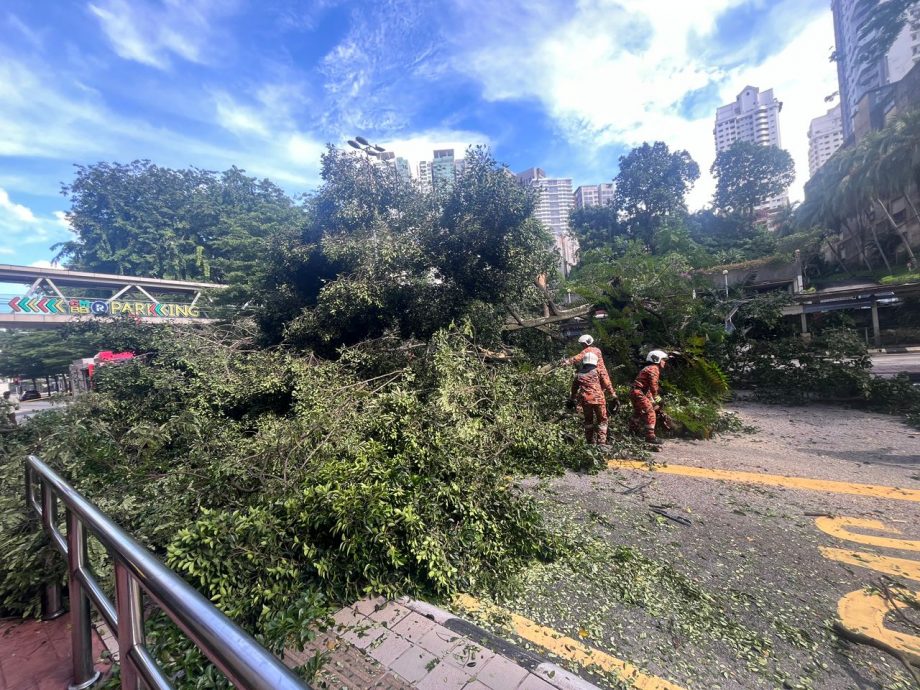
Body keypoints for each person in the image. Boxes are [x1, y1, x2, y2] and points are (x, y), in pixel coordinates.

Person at [568, 352, 615, 446]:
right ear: (595, 361)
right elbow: (607, 384)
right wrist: (613, 395)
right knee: (602, 420)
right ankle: (601, 442)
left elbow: (574, 389)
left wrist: (572, 399)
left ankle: (589, 442)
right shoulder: (598, 371)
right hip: (599, 400)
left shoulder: (579, 374)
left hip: (585, 401)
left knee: (588, 421)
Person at [630, 350, 668, 448]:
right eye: (663, 360)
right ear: (657, 359)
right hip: (639, 393)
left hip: (636, 392)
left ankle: (632, 432)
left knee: (638, 413)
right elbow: (653, 386)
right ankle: (650, 436)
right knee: (650, 412)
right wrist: (658, 399)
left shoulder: (648, 368)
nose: (665, 362)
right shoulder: (654, 368)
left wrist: (653, 401)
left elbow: (647, 390)